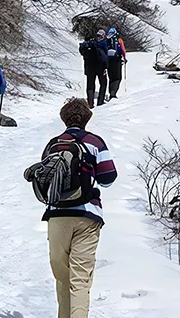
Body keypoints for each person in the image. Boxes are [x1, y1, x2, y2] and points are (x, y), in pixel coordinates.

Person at [38, 98, 117, 318]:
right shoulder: (95, 142)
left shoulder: (53, 144)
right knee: (80, 280)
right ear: (86, 119)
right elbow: (108, 178)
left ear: (64, 119)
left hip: (57, 215)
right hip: (88, 215)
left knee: (62, 276)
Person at [78, 29, 109, 106]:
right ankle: (100, 102)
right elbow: (105, 57)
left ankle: (90, 103)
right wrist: (106, 67)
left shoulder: (87, 45)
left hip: (89, 67)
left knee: (90, 84)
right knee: (103, 83)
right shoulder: (102, 44)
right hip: (100, 66)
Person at [104, 27, 127, 101]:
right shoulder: (118, 39)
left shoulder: (106, 39)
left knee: (111, 78)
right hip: (117, 60)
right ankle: (113, 93)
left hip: (108, 60)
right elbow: (122, 50)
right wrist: (124, 58)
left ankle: (111, 92)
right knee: (117, 77)